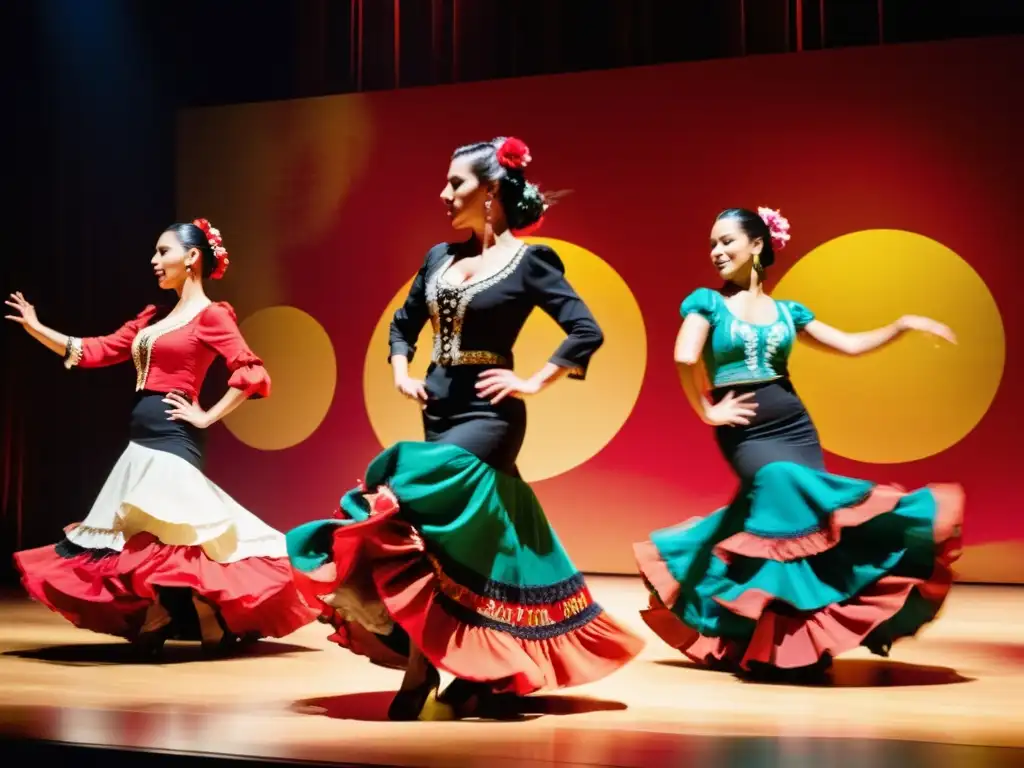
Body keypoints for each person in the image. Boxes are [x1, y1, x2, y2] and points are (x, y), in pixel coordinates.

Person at [286, 137, 644, 720]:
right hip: (439, 410)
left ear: (493, 191)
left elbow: (585, 330)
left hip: (491, 418)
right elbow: (403, 325)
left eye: (457, 183)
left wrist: (532, 381)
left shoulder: (531, 263)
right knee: (452, 548)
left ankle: (421, 670)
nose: (445, 193)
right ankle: (481, 671)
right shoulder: (438, 259)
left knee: (402, 491)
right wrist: (403, 371)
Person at [634, 206, 964, 681]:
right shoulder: (706, 303)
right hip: (746, 432)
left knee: (794, 528)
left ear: (757, 246)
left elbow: (849, 345)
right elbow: (685, 355)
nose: (717, 251)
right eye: (712, 244)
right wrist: (707, 408)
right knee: (781, 485)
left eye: (727, 241)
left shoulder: (789, 312)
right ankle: (781, 643)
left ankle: (786, 646)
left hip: (794, 426)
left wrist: (902, 324)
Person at [6, 219, 317, 657]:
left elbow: (251, 372)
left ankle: (174, 612)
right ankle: (187, 613)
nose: (154, 261)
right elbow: (96, 349)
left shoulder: (212, 316)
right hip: (139, 444)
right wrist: (37, 328)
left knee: (169, 531)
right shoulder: (154, 320)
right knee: (149, 532)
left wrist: (207, 415)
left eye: (162, 252)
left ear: (192, 258)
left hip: (172, 439)